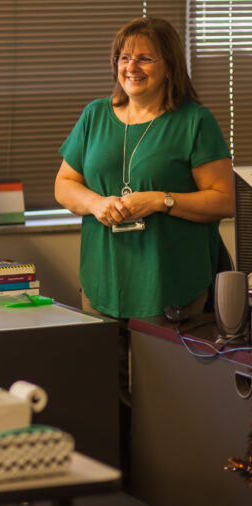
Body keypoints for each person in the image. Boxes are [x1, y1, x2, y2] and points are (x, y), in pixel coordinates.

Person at [55, 17, 233, 320]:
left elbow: (224, 199)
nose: (131, 67)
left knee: (159, 370)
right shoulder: (95, 115)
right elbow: (65, 183)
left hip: (171, 290)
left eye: (145, 59)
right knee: (101, 368)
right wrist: (96, 203)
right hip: (102, 286)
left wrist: (159, 201)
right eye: (124, 58)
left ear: (170, 67)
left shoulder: (194, 122)